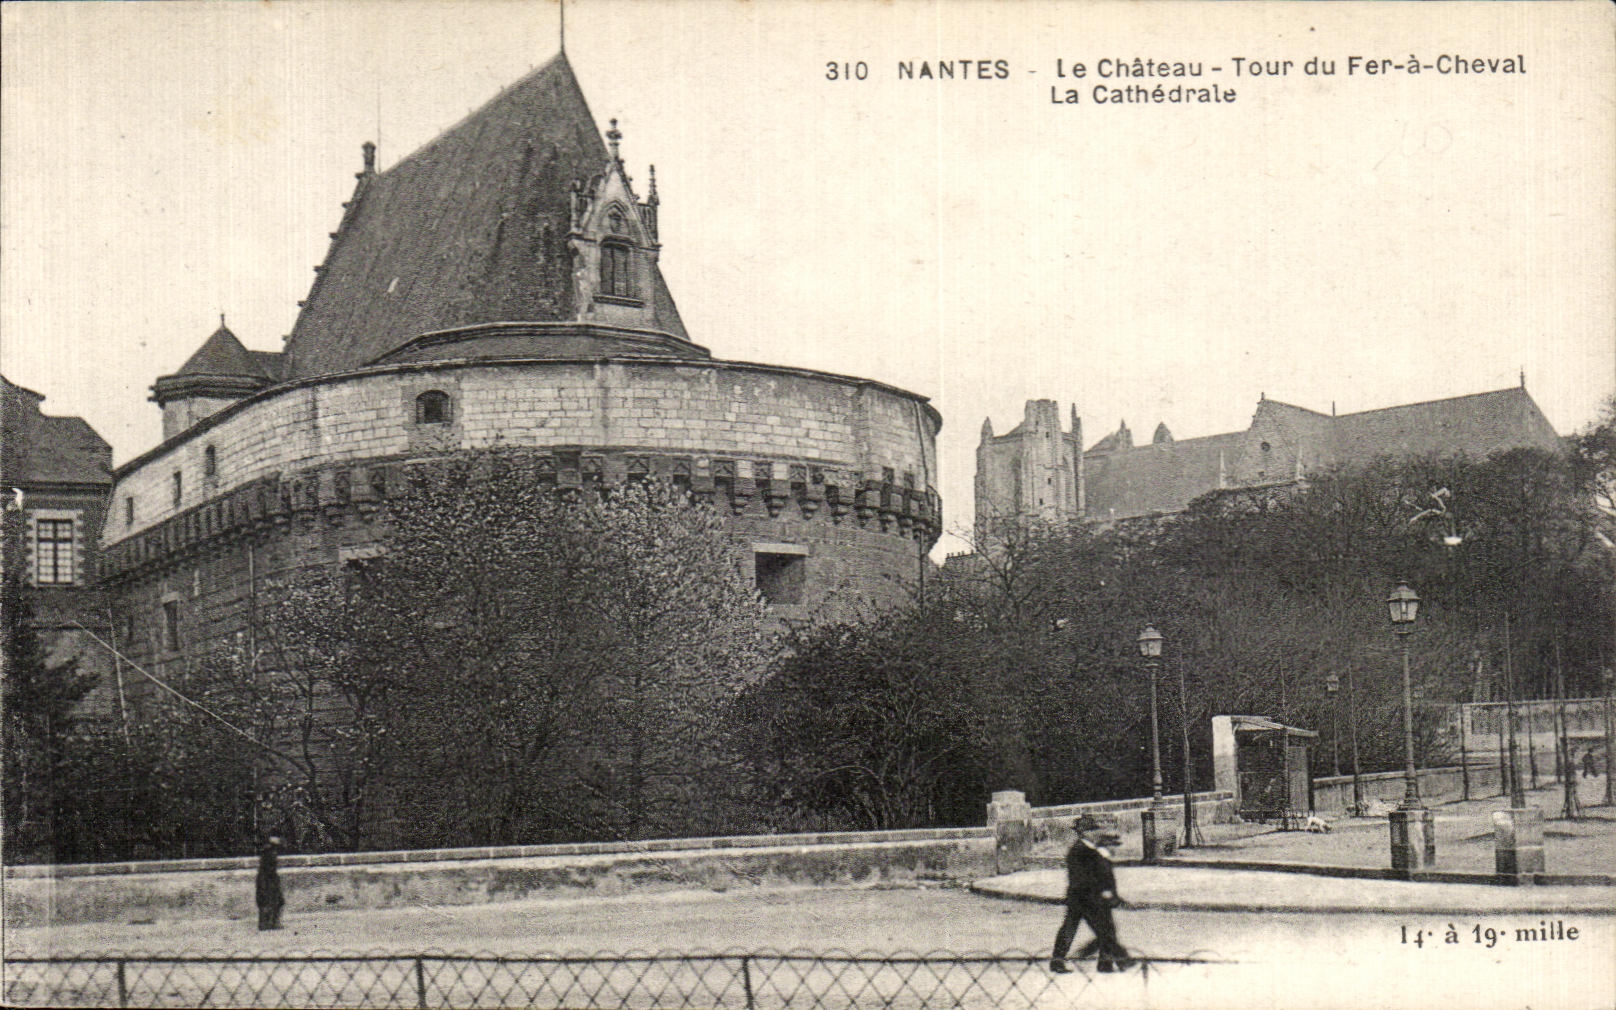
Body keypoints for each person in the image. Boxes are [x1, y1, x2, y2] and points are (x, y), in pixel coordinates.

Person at [1051, 814, 1132, 974]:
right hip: (1084, 898)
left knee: (1092, 929)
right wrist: (1102, 893)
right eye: (1092, 829)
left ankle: (1106, 962)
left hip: (1085, 897)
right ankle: (1118, 961)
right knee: (1102, 930)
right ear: (1084, 832)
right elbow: (1084, 877)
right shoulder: (1080, 850)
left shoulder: (1090, 848)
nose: (1096, 832)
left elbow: (1102, 871)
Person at [256, 835, 285, 931]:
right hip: (268, 880)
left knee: (270, 901)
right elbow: (269, 870)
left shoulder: (267, 852)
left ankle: (267, 923)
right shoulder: (269, 853)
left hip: (266, 879)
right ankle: (270, 923)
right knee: (272, 901)